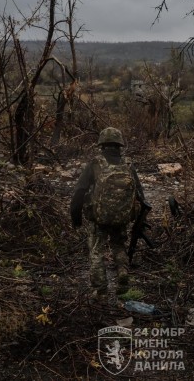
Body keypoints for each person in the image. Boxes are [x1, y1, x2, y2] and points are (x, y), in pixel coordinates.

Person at [70, 127, 144, 298]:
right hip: (122, 217)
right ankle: (123, 275)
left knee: (96, 250)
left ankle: (100, 289)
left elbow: (79, 192)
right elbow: (140, 194)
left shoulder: (96, 163)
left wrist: (76, 218)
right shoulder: (128, 164)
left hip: (99, 217)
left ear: (101, 144)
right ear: (120, 144)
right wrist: (136, 215)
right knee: (119, 245)